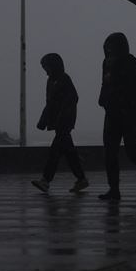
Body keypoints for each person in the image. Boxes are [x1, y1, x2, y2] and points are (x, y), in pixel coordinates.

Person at [97, 32, 136, 201]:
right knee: (110, 152)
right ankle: (114, 188)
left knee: (132, 150)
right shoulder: (107, 63)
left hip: (132, 115)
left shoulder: (131, 62)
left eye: (111, 47)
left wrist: (127, 106)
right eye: (106, 47)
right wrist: (103, 100)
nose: (108, 50)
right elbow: (105, 84)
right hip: (112, 114)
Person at [31, 53, 89, 193]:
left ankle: (45, 180)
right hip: (58, 123)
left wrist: (63, 115)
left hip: (64, 122)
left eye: (46, 67)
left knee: (54, 152)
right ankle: (81, 179)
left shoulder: (64, 79)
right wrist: (43, 120)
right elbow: (50, 103)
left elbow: (73, 98)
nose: (45, 70)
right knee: (69, 153)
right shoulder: (51, 81)